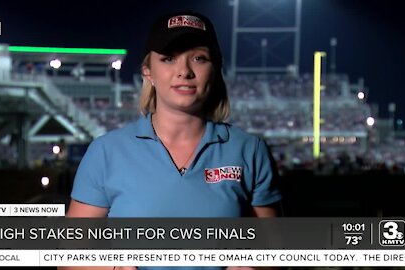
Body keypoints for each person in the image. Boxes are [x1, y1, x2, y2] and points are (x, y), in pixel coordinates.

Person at [63, 10, 282, 270]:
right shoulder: (106, 152)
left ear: (215, 70)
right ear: (148, 72)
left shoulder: (249, 150)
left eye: (199, 58)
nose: (184, 71)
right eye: (168, 59)